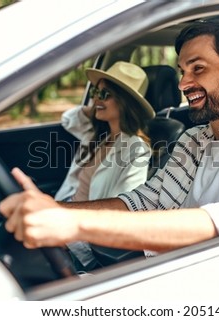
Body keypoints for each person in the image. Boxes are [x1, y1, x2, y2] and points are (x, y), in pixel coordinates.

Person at [0, 20, 219, 259]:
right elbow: (140, 202)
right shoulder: (194, 140)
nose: (184, 83)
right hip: (159, 273)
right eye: (182, 71)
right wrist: (58, 212)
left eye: (197, 69)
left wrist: (75, 224)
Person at [53, 61, 155, 269]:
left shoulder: (136, 149)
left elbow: (123, 207)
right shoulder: (98, 134)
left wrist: (65, 230)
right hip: (62, 214)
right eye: (95, 92)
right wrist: (96, 105)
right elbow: (68, 119)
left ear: (125, 102)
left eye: (105, 94)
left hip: (80, 239)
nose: (96, 98)